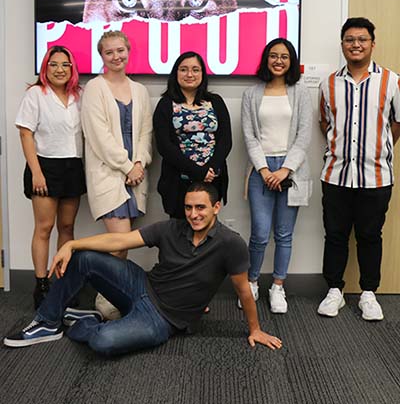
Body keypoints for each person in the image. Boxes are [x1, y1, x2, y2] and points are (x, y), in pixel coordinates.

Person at [3, 182, 283, 355]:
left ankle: (85, 321)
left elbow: (244, 290)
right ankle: (49, 321)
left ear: (216, 207)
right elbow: (120, 239)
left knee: (104, 343)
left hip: (162, 319)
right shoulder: (171, 227)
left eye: (201, 208)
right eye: (188, 208)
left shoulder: (230, 244)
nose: (193, 214)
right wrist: (72, 244)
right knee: (84, 257)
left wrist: (255, 329)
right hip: (141, 285)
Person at [318, 17, 400, 320]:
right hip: (336, 174)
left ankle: (368, 293)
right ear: (342, 45)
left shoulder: (392, 81)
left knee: (370, 235)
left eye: (362, 39)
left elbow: (397, 124)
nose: (356, 44)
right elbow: (324, 123)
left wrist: (379, 148)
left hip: (376, 176)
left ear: (372, 44)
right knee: (335, 235)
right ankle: (334, 291)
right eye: (350, 39)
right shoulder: (328, 83)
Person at [81, 30, 152, 319]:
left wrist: (139, 163)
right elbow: (98, 137)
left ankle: (115, 297)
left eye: (120, 50)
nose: (116, 56)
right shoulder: (94, 89)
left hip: (135, 176)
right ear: (102, 56)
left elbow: (147, 132)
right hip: (109, 174)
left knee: (122, 246)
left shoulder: (140, 90)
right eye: (109, 52)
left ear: (128, 50)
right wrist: (126, 167)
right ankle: (105, 301)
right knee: (119, 243)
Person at [240, 38, 312, 313]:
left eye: (284, 56)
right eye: (273, 55)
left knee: (284, 234)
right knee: (259, 233)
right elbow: (249, 136)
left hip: (290, 169)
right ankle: (253, 282)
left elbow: (304, 136)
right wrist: (265, 170)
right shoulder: (252, 93)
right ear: (266, 59)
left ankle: (278, 287)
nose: (279, 60)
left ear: (291, 61)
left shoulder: (301, 92)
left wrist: (284, 170)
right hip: (261, 169)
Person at [15, 45, 86, 308]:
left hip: (73, 166)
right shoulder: (36, 94)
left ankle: (63, 280)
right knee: (44, 228)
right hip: (44, 166)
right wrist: (36, 172)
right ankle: (41, 285)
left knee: (67, 228)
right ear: (46, 67)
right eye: (54, 64)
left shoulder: (80, 94)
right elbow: (25, 134)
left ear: (72, 68)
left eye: (65, 65)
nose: (60, 69)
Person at [153, 51, 232, 219]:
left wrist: (210, 169)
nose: (190, 74)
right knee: (179, 232)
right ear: (176, 73)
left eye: (195, 70)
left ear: (202, 74)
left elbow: (225, 141)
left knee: (208, 230)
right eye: (184, 69)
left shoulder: (215, 102)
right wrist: (197, 171)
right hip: (178, 181)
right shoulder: (166, 104)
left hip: (212, 179)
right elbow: (164, 146)